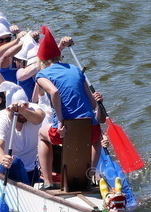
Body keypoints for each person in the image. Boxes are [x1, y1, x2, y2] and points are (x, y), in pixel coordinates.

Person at [35, 26, 105, 190]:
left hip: (64, 130)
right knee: (96, 140)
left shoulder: (42, 75)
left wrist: (60, 121)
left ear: (42, 61)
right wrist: (98, 106)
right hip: (89, 127)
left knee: (41, 135)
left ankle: (47, 182)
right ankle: (90, 176)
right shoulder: (75, 69)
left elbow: (54, 92)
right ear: (59, 56)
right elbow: (93, 104)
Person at [0, 85, 45, 185]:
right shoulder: (1, 117)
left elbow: (39, 119)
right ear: (8, 109)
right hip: (6, 167)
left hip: (30, 169)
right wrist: (3, 158)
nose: (21, 113)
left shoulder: (34, 110)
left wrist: (23, 110)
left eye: (26, 106)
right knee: (15, 161)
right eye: (16, 111)